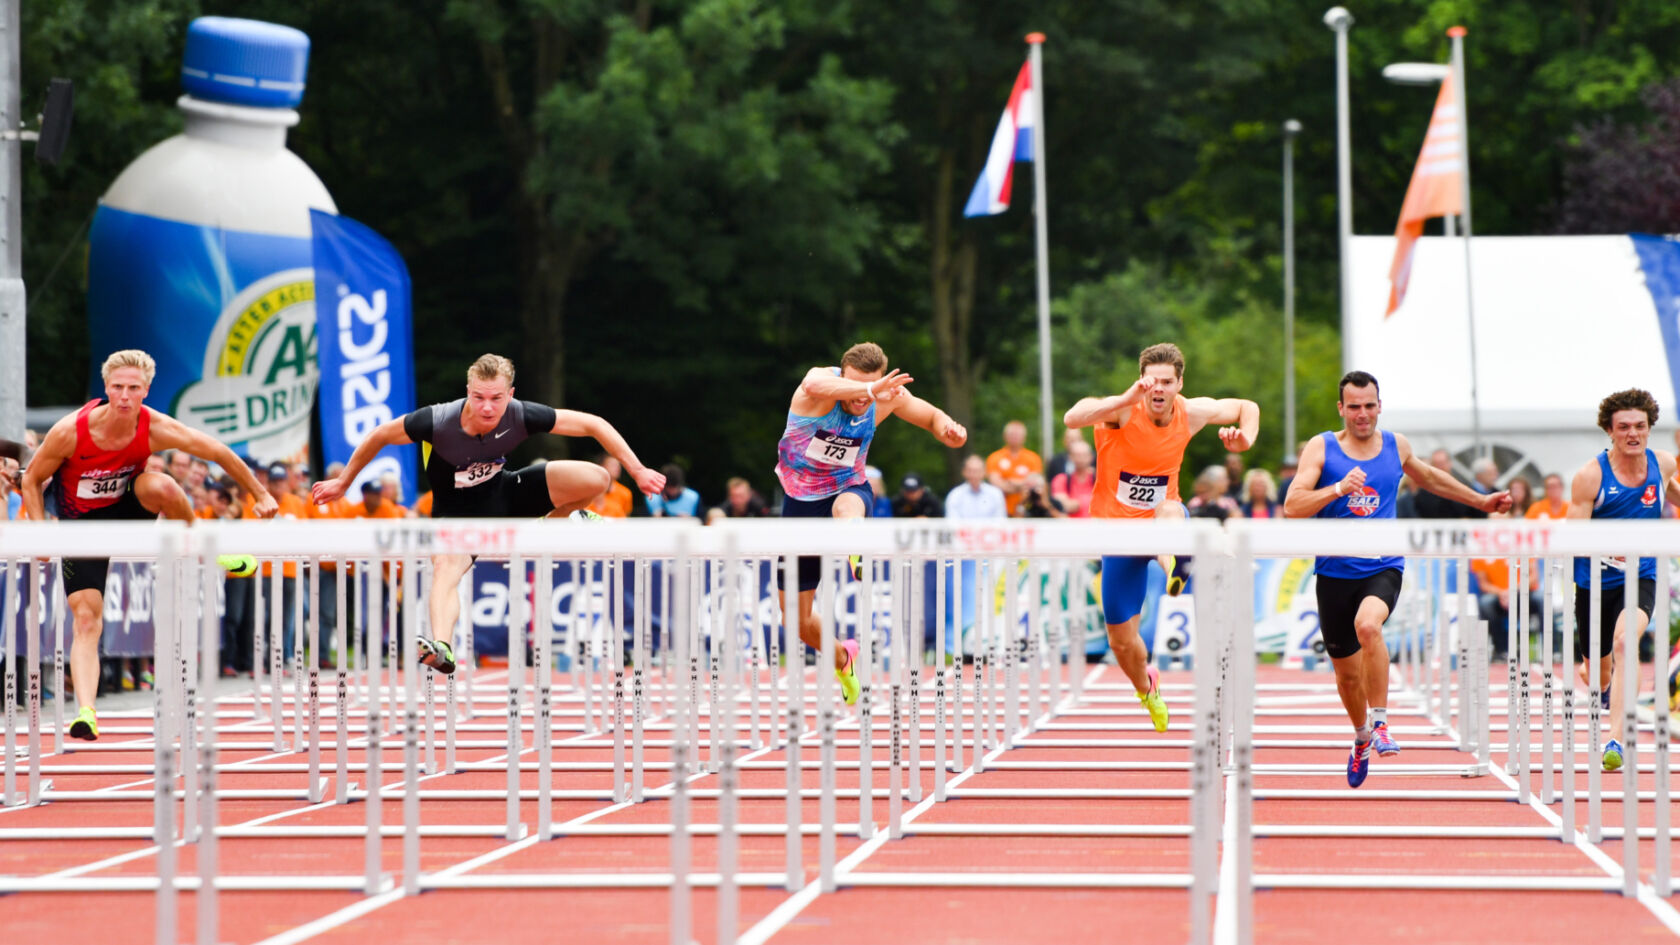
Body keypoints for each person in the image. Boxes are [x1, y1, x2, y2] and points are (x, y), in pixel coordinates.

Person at [311, 353, 664, 676]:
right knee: (445, 571)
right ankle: (443, 648)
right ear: (468, 390)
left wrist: (638, 471)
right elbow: (381, 435)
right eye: (478, 397)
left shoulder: (521, 414)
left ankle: (547, 526)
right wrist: (344, 481)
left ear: (510, 394)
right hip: (456, 517)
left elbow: (595, 424)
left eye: (496, 398)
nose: (486, 407)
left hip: (505, 495)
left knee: (596, 478)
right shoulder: (437, 421)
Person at [19, 350, 273, 739]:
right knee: (86, 620)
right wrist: (39, 532)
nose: (124, 396)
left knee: (163, 483)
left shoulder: (155, 427)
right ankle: (86, 711)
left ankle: (204, 551)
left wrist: (260, 494)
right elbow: (31, 480)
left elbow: (219, 452)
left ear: (146, 391)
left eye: (133, 389)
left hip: (128, 510)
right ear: (106, 388)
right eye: (117, 387)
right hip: (80, 526)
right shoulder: (70, 431)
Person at [1284, 370, 1510, 787]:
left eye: (1370, 405)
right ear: (1342, 409)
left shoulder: (1395, 445)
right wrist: (1336, 490)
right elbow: (1292, 505)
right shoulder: (1322, 447)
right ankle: (1361, 736)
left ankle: (1382, 722)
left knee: (1368, 626)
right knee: (1346, 675)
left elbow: (1432, 478)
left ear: (1379, 405)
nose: (1363, 414)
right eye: (1354, 407)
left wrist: (1480, 500)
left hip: (1383, 565)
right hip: (1334, 570)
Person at [1064, 342, 1260, 733]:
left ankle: (1174, 563)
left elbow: (1246, 407)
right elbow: (1072, 417)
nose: (1158, 390)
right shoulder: (1122, 409)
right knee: (1122, 642)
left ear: (1178, 383)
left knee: (1169, 510)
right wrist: (1123, 397)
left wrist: (1246, 439)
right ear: (1142, 381)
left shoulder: (1191, 412)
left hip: (1164, 519)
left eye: (1166, 382)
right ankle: (1146, 686)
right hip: (1119, 535)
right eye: (1151, 382)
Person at [773, 341, 966, 704]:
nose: (864, 401)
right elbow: (816, 385)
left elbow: (929, 416)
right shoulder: (819, 386)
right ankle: (843, 658)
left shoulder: (886, 393)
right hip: (800, 503)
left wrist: (948, 429)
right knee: (795, 622)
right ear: (843, 374)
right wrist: (867, 390)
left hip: (849, 488)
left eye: (872, 389)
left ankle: (855, 546)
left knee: (847, 507)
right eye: (859, 389)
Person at [1568, 388, 1680, 772]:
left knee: (1624, 641)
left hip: (1641, 575)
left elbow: (1672, 493)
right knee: (1596, 672)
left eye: (1640, 426)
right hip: (1594, 583)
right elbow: (1572, 537)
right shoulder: (1590, 476)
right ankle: (1598, 680)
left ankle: (1616, 737)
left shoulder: (1662, 463)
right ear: (1610, 431)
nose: (1633, 434)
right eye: (1624, 427)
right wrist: (1602, 548)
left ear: (1649, 429)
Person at [986, 420, 1041, 516]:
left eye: (1017, 435)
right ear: (1005, 436)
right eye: (1012, 435)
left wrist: (1011, 482)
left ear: (1024, 438)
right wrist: (1022, 485)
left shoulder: (1033, 458)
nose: (1015, 437)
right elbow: (996, 484)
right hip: (1000, 510)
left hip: (1026, 510)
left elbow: (1035, 484)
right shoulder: (994, 457)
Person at [1413, 449, 1487, 518]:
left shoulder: (1462, 487)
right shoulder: (1424, 491)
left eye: (1442, 463)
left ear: (1450, 463)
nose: (1441, 467)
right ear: (1431, 466)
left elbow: (1474, 512)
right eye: (1437, 464)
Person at [946, 454, 1006, 519]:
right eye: (970, 471)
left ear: (984, 472)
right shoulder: (955, 494)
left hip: (990, 529)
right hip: (963, 529)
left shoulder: (995, 494)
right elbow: (952, 522)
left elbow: (1000, 521)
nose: (973, 475)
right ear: (964, 472)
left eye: (977, 471)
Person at [1049, 439, 1095, 517]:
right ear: (1070, 457)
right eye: (1077, 455)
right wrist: (1090, 501)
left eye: (1084, 455)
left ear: (1091, 457)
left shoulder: (1099, 479)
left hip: (1097, 526)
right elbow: (1063, 506)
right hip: (1071, 527)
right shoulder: (1061, 479)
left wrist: (1077, 503)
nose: (1081, 459)